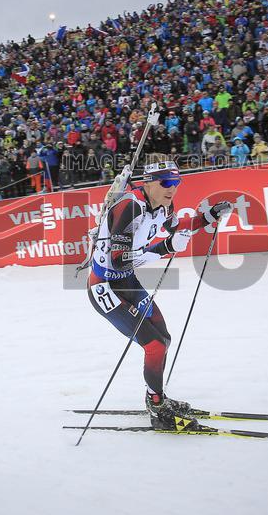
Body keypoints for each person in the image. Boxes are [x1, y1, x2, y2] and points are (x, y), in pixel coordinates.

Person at [86, 162, 231, 431]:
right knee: (153, 345)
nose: (172, 189)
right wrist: (165, 247)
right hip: (104, 286)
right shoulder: (129, 207)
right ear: (149, 183)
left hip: (126, 282)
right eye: (166, 183)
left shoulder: (164, 205)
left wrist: (209, 216)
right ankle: (156, 404)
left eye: (176, 184)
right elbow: (119, 261)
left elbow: (177, 227)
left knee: (163, 338)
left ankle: (157, 398)